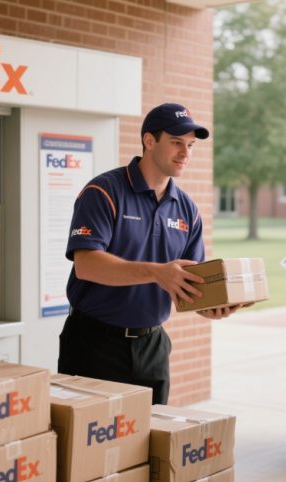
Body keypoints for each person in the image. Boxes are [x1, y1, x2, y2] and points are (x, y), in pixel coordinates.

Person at [58, 102, 241, 404]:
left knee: (149, 444)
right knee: (89, 446)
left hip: (153, 346)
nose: (185, 153)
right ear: (149, 141)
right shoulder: (104, 192)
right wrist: (157, 272)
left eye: (191, 146)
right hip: (93, 343)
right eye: (176, 143)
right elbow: (87, 265)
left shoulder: (187, 208)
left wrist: (212, 305)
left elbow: (187, 280)